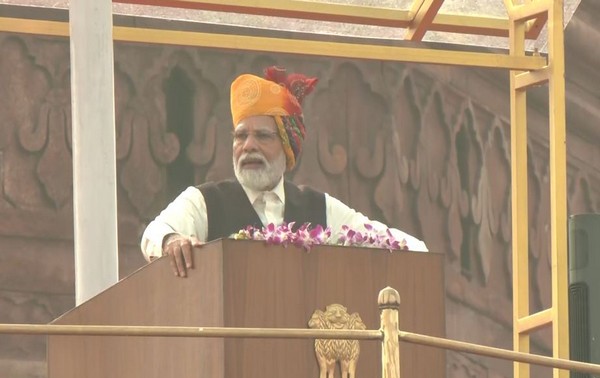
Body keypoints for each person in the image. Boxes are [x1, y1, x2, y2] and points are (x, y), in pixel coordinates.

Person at [141, 66, 427, 277]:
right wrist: (172, 240)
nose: (248, 146)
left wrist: (420, 256)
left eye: (262, 137)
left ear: (287, 148)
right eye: (240, 137)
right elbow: (156, 233)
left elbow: (391, 242)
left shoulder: (319, 208)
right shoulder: (205, 201)